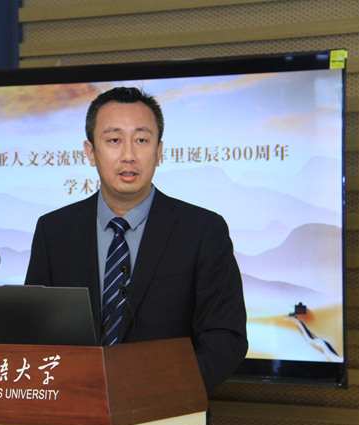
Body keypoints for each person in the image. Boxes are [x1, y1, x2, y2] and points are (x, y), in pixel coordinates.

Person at [25, 87, 247, 393]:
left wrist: (155, 393)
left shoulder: (202, 230)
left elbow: (225, 338)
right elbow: (34, 331)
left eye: (141, 140)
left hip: (166, 408)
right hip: (74, 406)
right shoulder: (54, 230)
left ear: (159, 151)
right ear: (90, 152)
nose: (128, 155)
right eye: (114, 140)